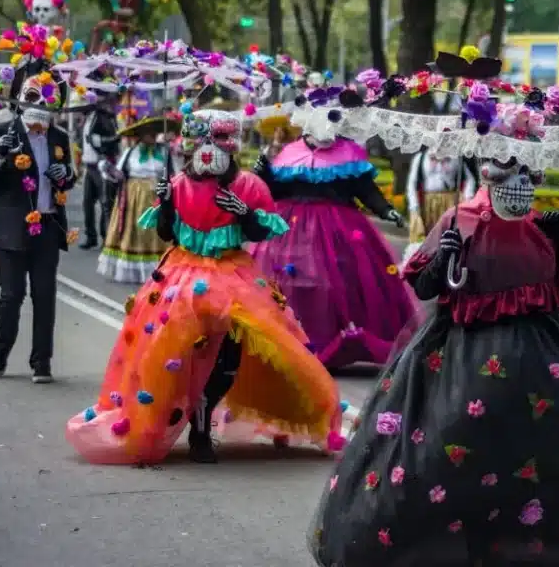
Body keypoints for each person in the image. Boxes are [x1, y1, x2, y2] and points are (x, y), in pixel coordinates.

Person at [309, 84, 559, 566]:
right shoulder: (460, 221)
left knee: (542, 453)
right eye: (506, 167)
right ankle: (459, 538)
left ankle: (528, 538)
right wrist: (445, 261)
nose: (516, 179)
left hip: (543, 358)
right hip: (462, 358)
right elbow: (426, 287)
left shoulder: (543, 226)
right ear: (486, 168)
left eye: (525, 169)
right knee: (449, 449)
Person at [66, 108, 343, 464]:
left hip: (233, 276)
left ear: (231, 148)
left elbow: (259, 232)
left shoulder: (249, 185)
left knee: (229, 355)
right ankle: (193, 424)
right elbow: (166, 233)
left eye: (219, 143)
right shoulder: (179, 183)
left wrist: (244, 212)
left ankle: (205, 413)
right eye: (204, 142)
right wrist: (166, 206)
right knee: (178, 357)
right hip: (182, 277)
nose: (210, 150)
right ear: (192, 147)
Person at [250, 85, 421, 370]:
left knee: (338, 284)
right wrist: (263, 174)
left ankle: (337, 342)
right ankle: (289, 341)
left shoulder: (349, 152)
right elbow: (275, 191)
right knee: (292, 284)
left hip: (339, 231)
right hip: (291, 230)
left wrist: (387, 209)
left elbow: (365, 190)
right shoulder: (289, 152)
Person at [0, 35, 77, 383]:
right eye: (33, 97)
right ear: (20, 100)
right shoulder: (0, 133)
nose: (41, 104)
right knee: (12, 296)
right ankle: (0, 352)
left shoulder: (60, 138)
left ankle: (42, 362)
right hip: (10, 230)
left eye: (47, 98)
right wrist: (0, 155)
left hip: (48, 227)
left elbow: (69, 180)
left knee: (45, 297)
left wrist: (64, 174)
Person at [96, 115, 177, 284]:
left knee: (157, 231)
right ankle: (135, 271)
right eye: (148, 132)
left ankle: (159, 268)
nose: (153, 135)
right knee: (136, 231)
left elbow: (173, 175)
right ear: (140, 134)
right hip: (134, 198)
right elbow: (119, 174)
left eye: (155, 132)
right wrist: (109, 169)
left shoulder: (164, 151)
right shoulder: (131, 152)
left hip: (157, 197)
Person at [404, 148, 477, 263]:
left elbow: (470, 179)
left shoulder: (456, 157)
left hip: (450, 203)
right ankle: (425, 265)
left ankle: (448, 264)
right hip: (428, 204)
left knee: (449, 237)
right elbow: (412, 183)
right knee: (427, 236)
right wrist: (414, 206)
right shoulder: (421, 158)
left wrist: (468, 198)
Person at [80, 94, 120, 249]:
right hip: (88, 164)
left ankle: (106, 237)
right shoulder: (88, 118)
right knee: (87, 203)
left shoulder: (104, 118)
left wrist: (98, 142)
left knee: (105, 202)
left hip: (100, 163)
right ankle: (91, 236)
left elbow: (114, 139)